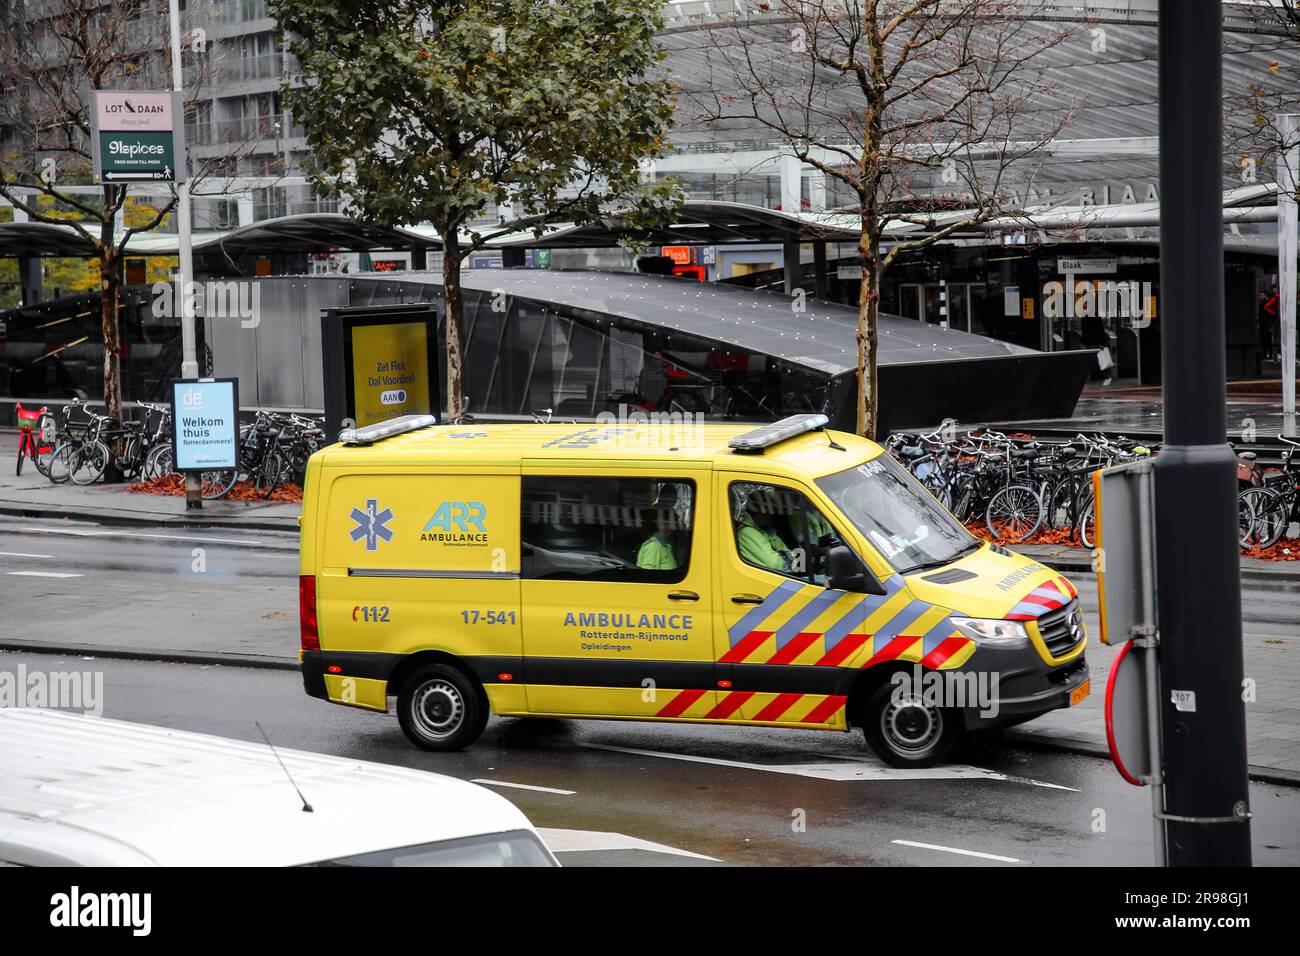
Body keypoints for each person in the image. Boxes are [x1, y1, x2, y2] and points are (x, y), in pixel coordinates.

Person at [735, 487, 796, 573]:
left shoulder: (767, 530)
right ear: (756, 512)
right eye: (767, 511)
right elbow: (777, 566)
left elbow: (792, 558)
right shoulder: (746, 533)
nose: (771, 515)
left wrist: (787, 557)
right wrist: (787, 557)